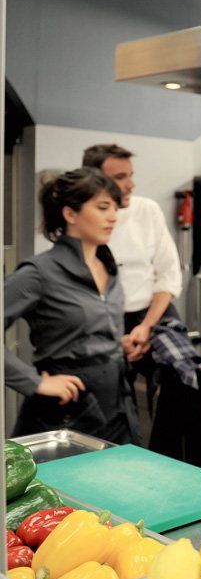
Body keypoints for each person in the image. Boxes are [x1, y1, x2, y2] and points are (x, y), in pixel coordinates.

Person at [4, 169, 143, 444]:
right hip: (67, 412)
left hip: (119, 405)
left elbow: (90, 328)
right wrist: (34, 381)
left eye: (115, 208)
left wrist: (117, 344)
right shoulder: (39, 272)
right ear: (70, 214)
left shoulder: (109, 268)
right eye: (103, 207)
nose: (113, 217)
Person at [82, 143, 199, 457]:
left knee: (181, 375)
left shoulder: (147, 210)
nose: (131, 184)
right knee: (114, 395)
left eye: (131, 175)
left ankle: (165, 458)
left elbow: (168, 275)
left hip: (152, 313)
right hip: (106, 318)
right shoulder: (84, 220)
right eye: (121, 177)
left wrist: (146, 326)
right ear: (93, 180)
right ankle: (120, 458)